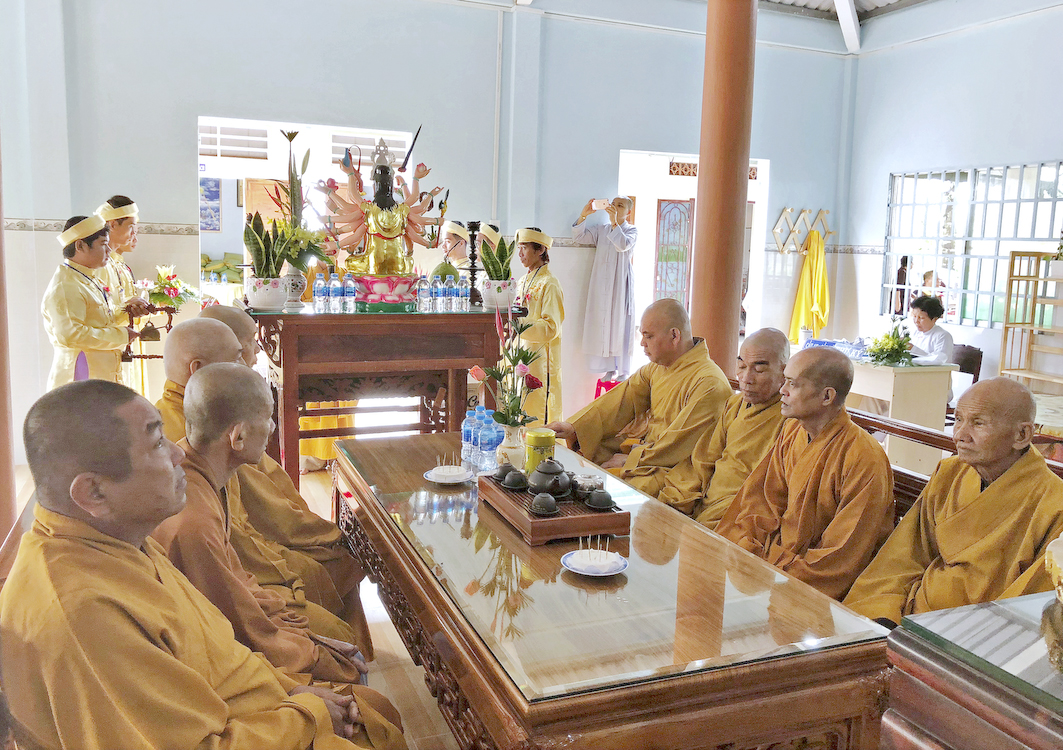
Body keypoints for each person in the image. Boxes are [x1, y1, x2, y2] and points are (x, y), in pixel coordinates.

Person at [1, 380, 405, 750]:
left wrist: (293, 691)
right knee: (372, 724)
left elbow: (217, 648)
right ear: (93, 492)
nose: (179, 452)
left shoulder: (119, 540)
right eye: (157, 443)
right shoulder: (83, 612)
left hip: (255, 709)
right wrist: (308, 715)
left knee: (376, 709)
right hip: (244, 730)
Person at [157, 317, 372, 655]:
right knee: (340, 644)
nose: (253, 359)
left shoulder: (203, 451)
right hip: (227, 636)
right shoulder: (193, 501)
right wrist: (304, 644)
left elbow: (232, 563)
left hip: (243, 589)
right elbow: (230, 612)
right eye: (238, 356)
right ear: (239, 436)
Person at [845, 378, 1063, 627]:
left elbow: (1028, 603)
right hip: (912, 615)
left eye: (978, 423)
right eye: (958, 419)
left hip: (978, 632)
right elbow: (903, 557)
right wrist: (884, 616)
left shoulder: (1054, 503)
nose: (960, 435)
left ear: (1022, 435)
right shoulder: (949, 473)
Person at [715, 347, 895, 600]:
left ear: (827, 396)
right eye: (784, 381)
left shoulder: (864, 458)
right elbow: (761, 501)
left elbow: (843, 554)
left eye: (793, 384)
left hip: (813, 580)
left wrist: (777, 573)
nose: (782, 391)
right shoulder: (792, 432)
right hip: (773, 561)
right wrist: (748, 547)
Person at [549, 298, 731, 496]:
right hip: (650, 453)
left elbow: (679, 445)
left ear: (674, 335)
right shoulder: (656, 368)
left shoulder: (709, 383)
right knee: (589, 459)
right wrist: (574, 427)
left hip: (677, 467)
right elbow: (619, 401)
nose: (642, 343)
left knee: (613, 489)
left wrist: (632, 460)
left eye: (648, 336)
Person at [657, 328, 789, 527]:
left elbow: (773, 491)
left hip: (741, 511)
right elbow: (703, 459)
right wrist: (678, 499)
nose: (746, 378)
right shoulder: (734, 405)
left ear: (784, 372)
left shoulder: (791, 419)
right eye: (741, 366)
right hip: (707, 501)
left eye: (759, 370)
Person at [42, 214, 136, 390]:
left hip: (101, 375)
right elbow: (71, 334)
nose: (109, 250)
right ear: (80, 246)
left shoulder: (88, 278)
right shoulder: (66, 286)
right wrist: (121, 336)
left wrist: (127, 311)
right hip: (81, 376)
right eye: (103, 244)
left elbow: (100, 319)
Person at [574, 197, 638, 377]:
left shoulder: (631, 231)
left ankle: (623, 370)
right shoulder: (601, 230)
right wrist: (584, 215)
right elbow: (578, 237)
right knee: (604, 324)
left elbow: (623, 245)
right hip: (601, 284)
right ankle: (609, 368)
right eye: (614, 204)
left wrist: (615, 223)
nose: (615, 207)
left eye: (620, 205)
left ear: (628, 212)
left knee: (619, 324)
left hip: (620, 285)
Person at [514, 227, 565, 425]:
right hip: (521, 356)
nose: (520, 253)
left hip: (541, 360)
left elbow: (551, 327)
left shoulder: (550, 284)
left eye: (525, 248)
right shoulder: (522, 281)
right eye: (519, 248)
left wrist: (518, 324)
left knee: (538, 412)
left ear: (541, 250)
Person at [96, 195, 150, 316]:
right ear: (113, 225)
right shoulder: (100, 263)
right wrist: (127, 308)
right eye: (131, 227)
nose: (133, 235)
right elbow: (100, 311)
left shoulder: (116, 261)